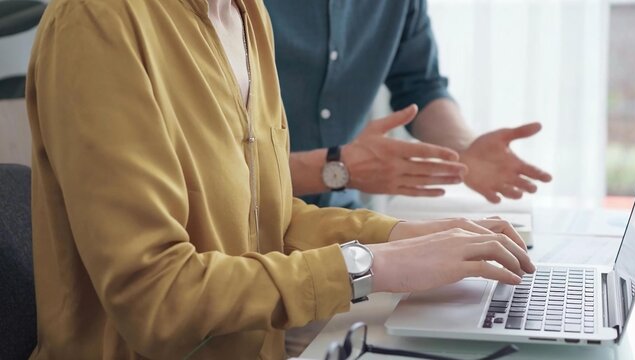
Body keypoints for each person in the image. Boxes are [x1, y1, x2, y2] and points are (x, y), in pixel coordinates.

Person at [26, 0, 534, 359]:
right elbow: (157, 301)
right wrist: (371, 266)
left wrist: (404, 237)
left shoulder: (247, 14)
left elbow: (271, 216)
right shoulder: (97, 20)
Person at [265, 0, 553, 209]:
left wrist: (464, 147)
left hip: (338, 217)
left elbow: (420, 85)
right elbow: (222, 172)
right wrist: (335, 169)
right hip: (245, 227)